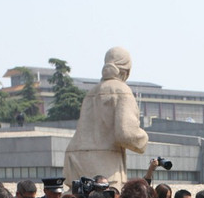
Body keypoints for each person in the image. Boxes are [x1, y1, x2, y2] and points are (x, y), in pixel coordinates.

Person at [63, 47, 148, 187]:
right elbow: (126, 134)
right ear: (126, 70)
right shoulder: (122, 90)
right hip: (106, 166)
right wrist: (144, 139)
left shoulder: (91, 92)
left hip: (77, 159)